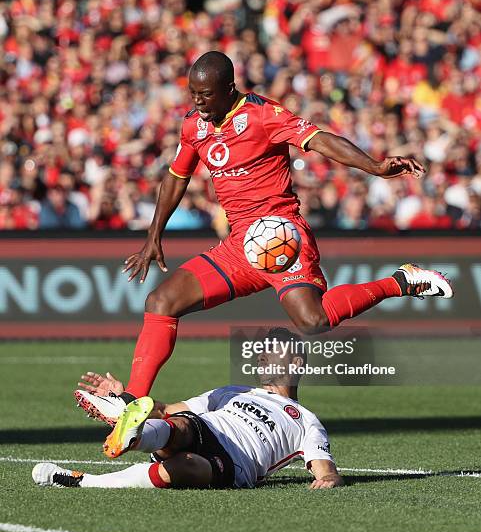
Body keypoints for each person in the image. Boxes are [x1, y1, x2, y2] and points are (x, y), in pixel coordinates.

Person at [75, 50, 453, 423]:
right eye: (193, 93)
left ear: (229, 88)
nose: (198, 101)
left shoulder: (263, 114)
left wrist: (373, 166)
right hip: (239, 243)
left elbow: (320, 138)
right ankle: (131, 402)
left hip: (279, 233)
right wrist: (153, 234)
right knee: (161, 301)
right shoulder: (193, 125)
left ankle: (401, 281)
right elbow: (177, 176)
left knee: (313, 321)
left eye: (205, 94)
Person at [34, 329, 343, 490]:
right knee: (179, 426)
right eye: (261, 352)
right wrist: (127, 396)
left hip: (235, 464)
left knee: (188, 467)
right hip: (206, 427)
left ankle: (84, 479)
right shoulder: (233, 391)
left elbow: (324, 467)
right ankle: (126, 420)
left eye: (272, 351)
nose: (262, 358)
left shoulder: (306, 421)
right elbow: (167, 408)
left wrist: (328, 478)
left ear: (297, 363)